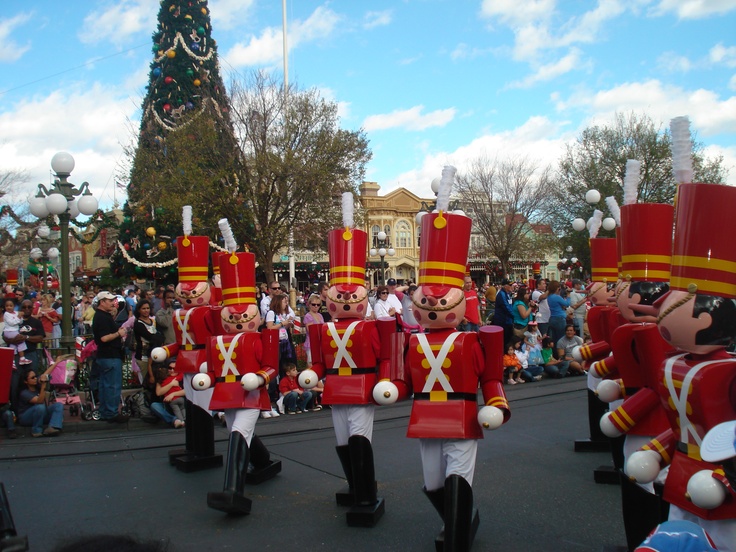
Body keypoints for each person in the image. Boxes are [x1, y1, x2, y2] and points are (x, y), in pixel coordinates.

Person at [298, 193, 387, 527]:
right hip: (335, 388)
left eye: (353, 294)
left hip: (363, 386)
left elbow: (384, 357)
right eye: (340, 293)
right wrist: (312, 372)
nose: (346, 299)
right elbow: (320, 361)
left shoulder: (371, 326)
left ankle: (366, 493)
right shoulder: (323, 329)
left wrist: (385, 380)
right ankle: (356, 485)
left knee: (359, 439)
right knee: (340, 441)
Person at [91, 291, 129, 423]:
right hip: (110, 355)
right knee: (112, 385)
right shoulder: (102, 317)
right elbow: (104, 338)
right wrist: (119, 334)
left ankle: (105, 411)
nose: (113, 302)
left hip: (106, 355)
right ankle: (111, 412)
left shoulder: (102, 316)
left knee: (105, 385)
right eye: (110, 300)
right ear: (102, 302)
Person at [16, 370, 63, 437]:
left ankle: (53, 427)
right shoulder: (24, 393)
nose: (35, 379)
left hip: (39, 414)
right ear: (26, 381)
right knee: (40, 406)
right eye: (32, 378)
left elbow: (45, 374)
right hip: (25, 417)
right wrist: (43, 385)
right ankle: (36, 430)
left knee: (58, 405)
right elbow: (39, 401)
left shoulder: (37, 388)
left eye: (35, 377)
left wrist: (56, 362)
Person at [133, 299, 163, 389]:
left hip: (155, 355)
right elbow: (149, 336)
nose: (146, 310)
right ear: (139, 310)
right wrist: (157, 337)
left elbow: (161, 334)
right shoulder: (138, 324)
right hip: (143, 356)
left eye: (148, 308)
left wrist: (158, 337)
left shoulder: (153, 321)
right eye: (143, 308)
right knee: (147, 380)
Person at [3, 299, 31, 365]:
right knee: (21, 340)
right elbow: (11, 323)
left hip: (14, 331)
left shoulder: (16, 312)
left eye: (10, 305)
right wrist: (18, 316)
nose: (9, 307)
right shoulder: (6, 314)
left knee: (13, 345)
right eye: (7, 306)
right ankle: (22, 358)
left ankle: (12, 362)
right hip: (9, 331)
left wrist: (20, 316)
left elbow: (20, 322)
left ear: (14, 306)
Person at [546, 280, 571, 346]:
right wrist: (568, 296)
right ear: (557, 288)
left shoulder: (549, 297)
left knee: (554, 338)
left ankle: (555, 353)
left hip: (552, 318)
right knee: (561, 338)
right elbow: (567, 304)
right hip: (560, 318)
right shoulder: (557, 297)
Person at [302, 293, 324, 366]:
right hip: (311, 343)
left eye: (318, 305)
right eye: (314, 304)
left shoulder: (320, 315)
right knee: (311, 362)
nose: (316, 306)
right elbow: (310, 330)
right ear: (309, 304)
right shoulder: (308, 316)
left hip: (320, 342)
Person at [492, 278, 515, 345]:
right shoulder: (501, 294)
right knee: (505, 340)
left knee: (509, 339)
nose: (511, 287)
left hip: (508, 321)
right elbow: (506, 307)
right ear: (505, 286)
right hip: (503, 322)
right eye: (510, 285)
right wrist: (515, 316)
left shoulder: (508, 294)